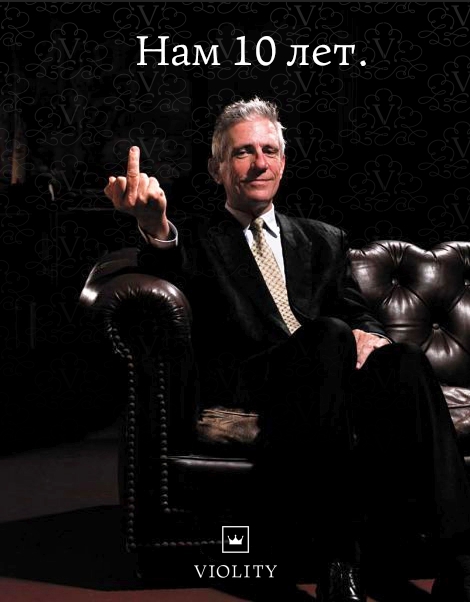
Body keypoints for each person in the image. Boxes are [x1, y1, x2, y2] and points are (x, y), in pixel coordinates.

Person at [104, 97, 470, 601]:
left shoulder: (323, 240)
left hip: (333, 375)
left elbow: (356, 312)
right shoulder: (201, 240)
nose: (259, 163)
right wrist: (154, 227)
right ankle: (337, 558)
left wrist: (374, 337)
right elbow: (168, 275)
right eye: (243, 152)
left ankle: (458, 560)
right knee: (329, 334)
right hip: (261, 383)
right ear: (216, 168)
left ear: (283, 162)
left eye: (269, 151)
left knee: (403, 359)